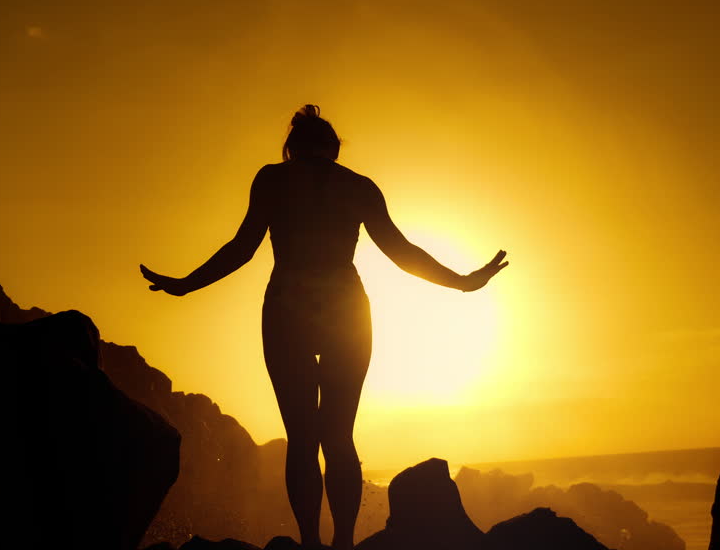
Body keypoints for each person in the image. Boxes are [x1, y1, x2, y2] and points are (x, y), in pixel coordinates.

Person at [140, 105, 508, 549]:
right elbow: (400, 251)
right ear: (333, 148)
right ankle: (344, 543)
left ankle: (311, 542)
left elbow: (242, 248)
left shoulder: (273, 179)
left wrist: (187, 284)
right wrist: (462, 283)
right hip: (346, 313)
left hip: (287, 312)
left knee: (302, 437)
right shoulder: (356, 186)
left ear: (292, 148)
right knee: (338, 435)